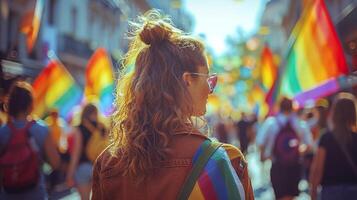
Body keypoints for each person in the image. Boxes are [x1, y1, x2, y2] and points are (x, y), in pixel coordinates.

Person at [92, 10, 254, 200]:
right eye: (208, 79)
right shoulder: (220, 161)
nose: (211, 89)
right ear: (187, 81)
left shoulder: (108, 162)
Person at [0, 81, 60, 199]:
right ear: (31, 104)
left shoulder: (3, 132)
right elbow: (55, 163)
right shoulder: (41, 129)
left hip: (8, 194)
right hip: (35, 193)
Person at [258, 97, 313, 200]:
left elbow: (260, 142)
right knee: (291, 196)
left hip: (277, 165)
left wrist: (263, 157)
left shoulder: (271, 123)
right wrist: (298, 151)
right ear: (292, 107)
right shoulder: (299, 123)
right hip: (295, 165)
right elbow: (309, 145)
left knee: (280, 196)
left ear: (279, 107)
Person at [309, 93, 357, 200]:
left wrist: (313, 193)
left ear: (334, 113)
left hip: (331, 191)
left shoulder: (326, 138)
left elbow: (317, 169)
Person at [66, 103, 106, 200]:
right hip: (100, 168)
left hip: (83, 168)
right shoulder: (102, 128)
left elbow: (76, 153)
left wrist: (70, 174)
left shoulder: (80, 128)